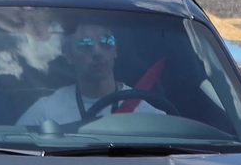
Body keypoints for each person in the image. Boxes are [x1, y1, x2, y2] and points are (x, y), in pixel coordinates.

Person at [18, 17, 160, 129]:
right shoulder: (47, 112)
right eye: (85, 44)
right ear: (69, 56)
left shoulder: (147, 114)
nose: (97, 52)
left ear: (115, 49)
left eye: (106, 41)